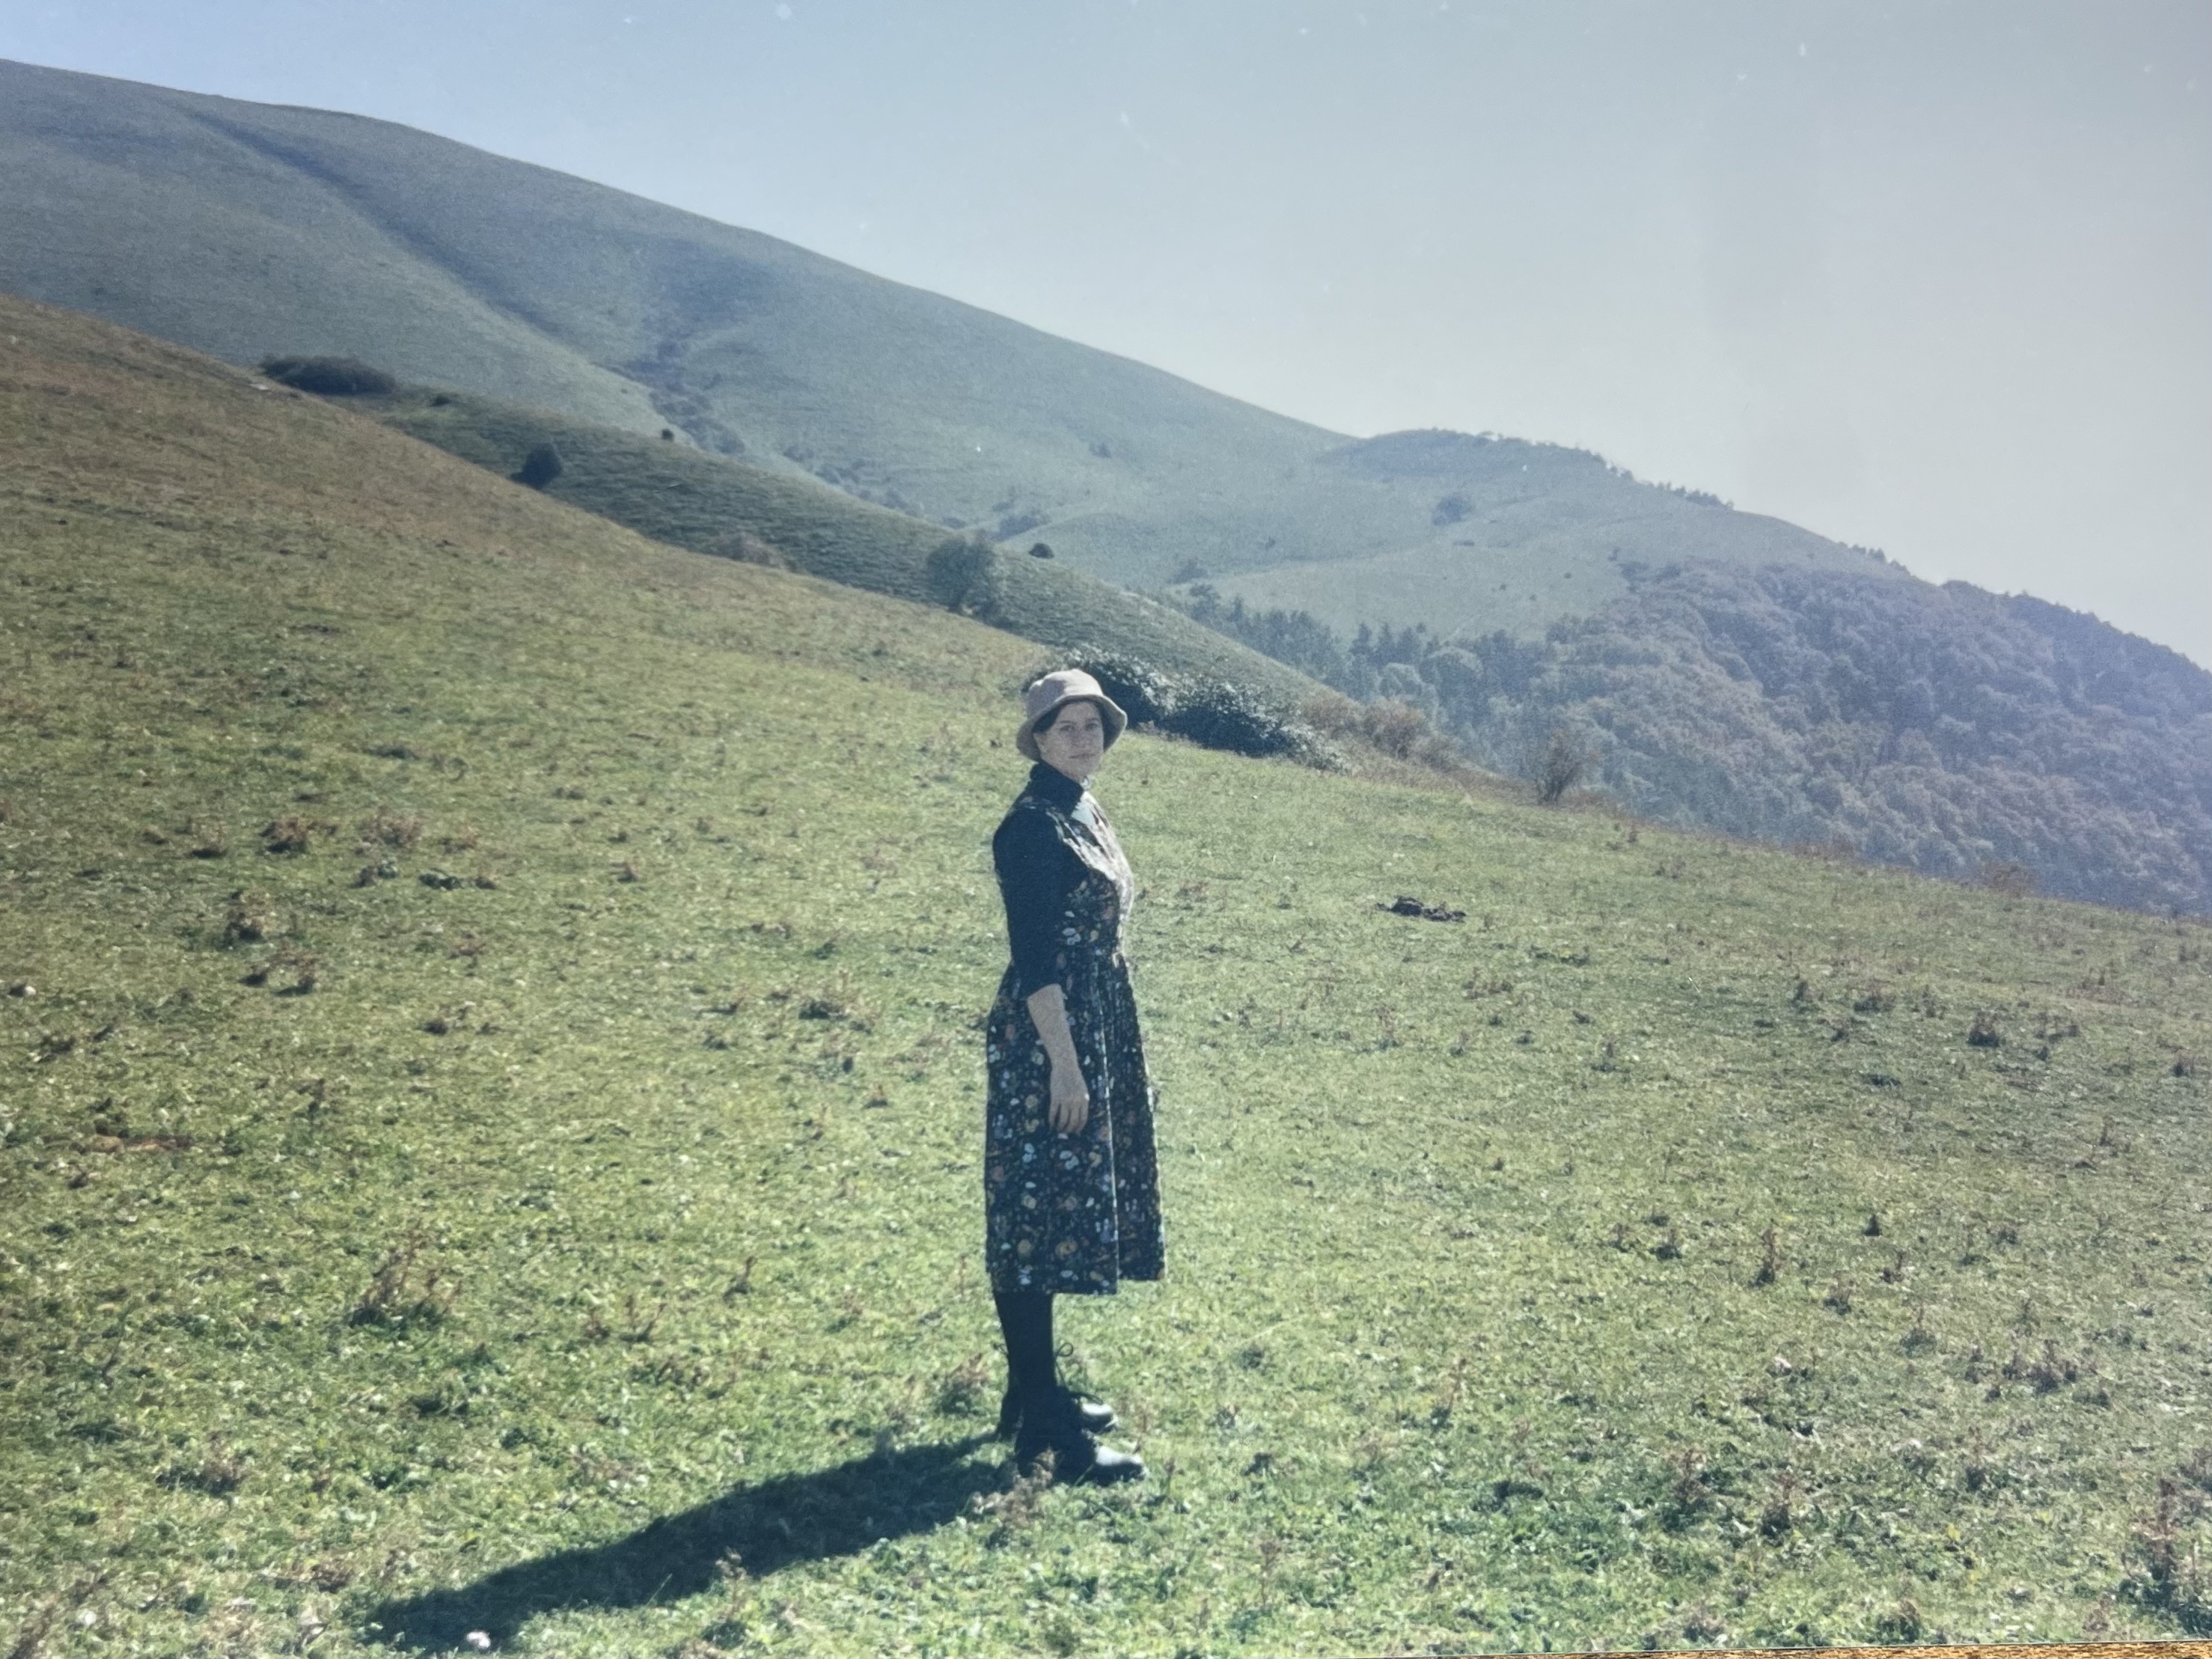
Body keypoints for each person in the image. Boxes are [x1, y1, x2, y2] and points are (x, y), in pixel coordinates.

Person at [983, 669, 1164, 1484]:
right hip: (1048, 1035)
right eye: (1066, 728)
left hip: (1096, 1021)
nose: (1083, 738)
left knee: (1052, 1215)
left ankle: (1033, 1393)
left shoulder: (1079, 805)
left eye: (1093, 725)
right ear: (1039, 739)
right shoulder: (1028, 828)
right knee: (1033, 1220)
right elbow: (1034, 965)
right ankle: (1046, 1438)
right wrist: (1065, 1066)